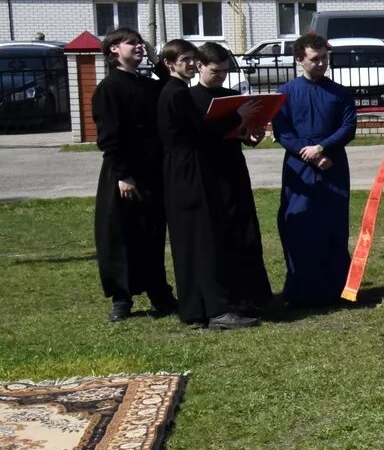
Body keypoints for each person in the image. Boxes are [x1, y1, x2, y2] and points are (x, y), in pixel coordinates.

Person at [157, 40, 267, 329]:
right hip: (200, 176)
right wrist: (236, 118)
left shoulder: (220, 95)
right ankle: (216, 306)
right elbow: (197, 134)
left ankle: (246, 296)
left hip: (229, 171)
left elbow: (229, 132)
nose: (219, 76)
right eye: (213, 70)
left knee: (242, 233)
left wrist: (248, 134)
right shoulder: (181, 94)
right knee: (208, 242)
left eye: (224, 71)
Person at [92, 28, 178, 322]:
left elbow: (172, 89)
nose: (139, 47)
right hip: (123, 174)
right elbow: (109, 136)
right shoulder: (109, 88)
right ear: (114, 49)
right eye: (132, 43)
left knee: (153, 235)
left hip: (153, 171)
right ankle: (121, 298)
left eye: (141, 43)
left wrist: (157, 61)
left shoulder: (147, 84)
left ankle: (160, 294)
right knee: (120, 236)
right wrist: (123, 174)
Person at [271, 32, 358, 307]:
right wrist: (308, 154)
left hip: (332, 165)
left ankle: (335, 288)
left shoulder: (340, 92)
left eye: (324, 58)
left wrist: (322, 148)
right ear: (300, 60)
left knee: (333, 225)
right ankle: (299, 288)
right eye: (314, 59)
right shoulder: (285, 93)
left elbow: (348, 127)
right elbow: (282, 131)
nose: (321, 64)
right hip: (299, 168)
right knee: (298, 223)